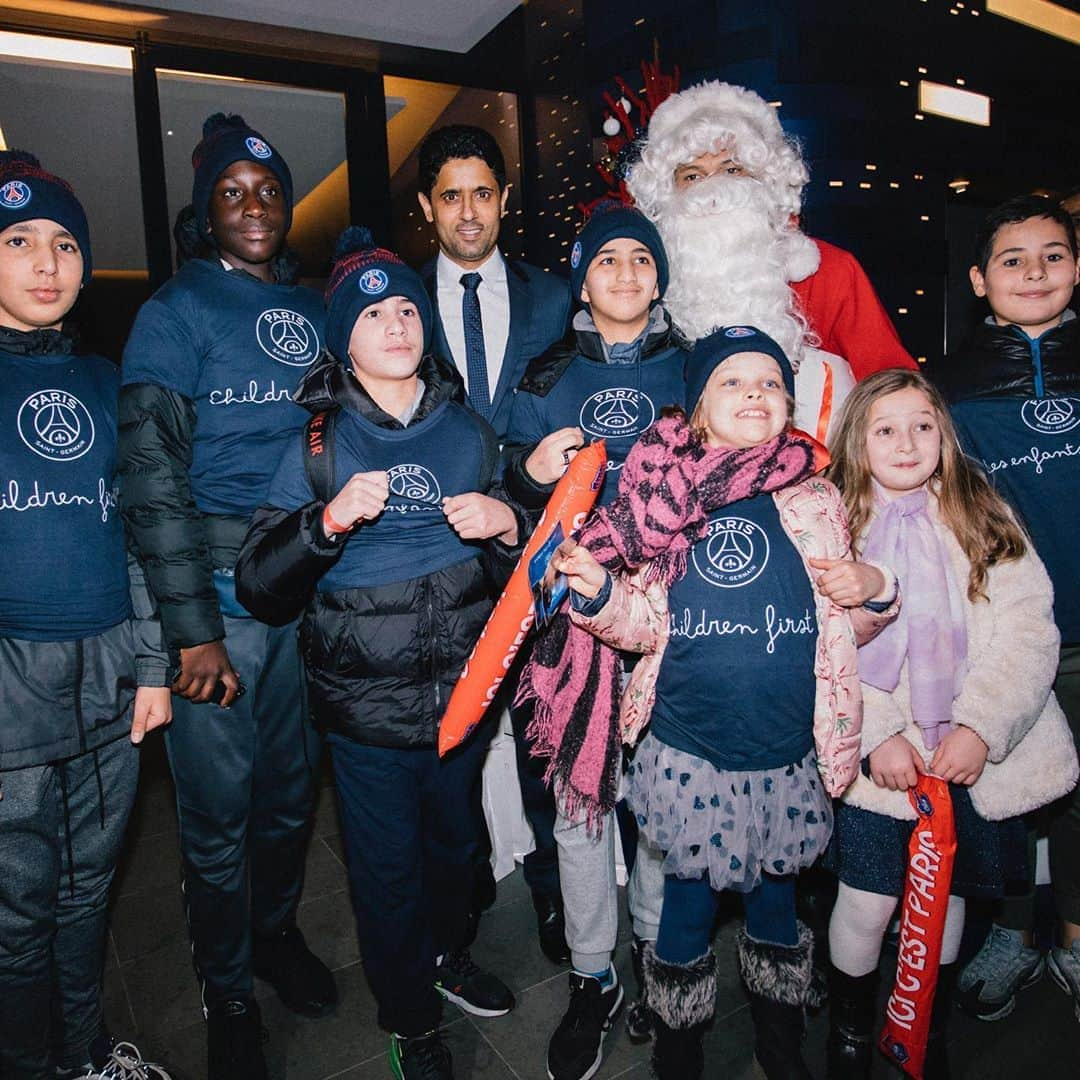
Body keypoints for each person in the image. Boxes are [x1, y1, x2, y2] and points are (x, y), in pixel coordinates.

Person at [528, 327, 898, 1078]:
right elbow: (640, 625)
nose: (755, 393)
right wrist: (600, 597)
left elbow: (844, 627)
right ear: (697, 410)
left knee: (775, 908)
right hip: (691, 748)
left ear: (790, 405)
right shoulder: (662, 497)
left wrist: (878, 590)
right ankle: (678, 1044)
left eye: (769, 381)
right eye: (733, 382)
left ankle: (780, 1040)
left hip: (788, 749)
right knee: (686, 909)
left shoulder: (817, 495)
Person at [235, 228, 523, 1080]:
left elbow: (522, 567)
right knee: (387, 875)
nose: (396, 325)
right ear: (343, 339)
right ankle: (409, 1019)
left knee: (457, 854)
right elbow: (258, 583)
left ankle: (444, 958)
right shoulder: (316, 447)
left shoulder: (469, 430)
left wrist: (507, 524)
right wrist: (322, 526)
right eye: (374, 314)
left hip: (465, 701)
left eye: (407, 308)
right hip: (366, 719)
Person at [118, 114, 335, 1080]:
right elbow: (151, 479)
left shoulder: (317, 305)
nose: (254, 206)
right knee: (217, 815)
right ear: (207, 212)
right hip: (218, 603)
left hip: (311, 596)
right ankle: (228, 984)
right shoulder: (174, 311)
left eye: (269, 189)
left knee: (292, 798)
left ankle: (275, 934)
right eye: (232, 192)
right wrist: (189, 633)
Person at [824, 368, 1078, 1077]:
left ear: (944, 433)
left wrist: (982, 727)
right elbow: (822, 644)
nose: (906, 443)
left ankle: (921, 1020)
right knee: (870, 901)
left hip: (962, 754)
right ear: (856, 439)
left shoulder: (981, 510)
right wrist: (877, 732)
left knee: (945, 900)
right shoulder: (832, 521)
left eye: (922, 426)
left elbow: (1029, 627)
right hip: (882, 764)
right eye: (885, 429)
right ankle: (849, 1023)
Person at [0, 150, 173, 1079]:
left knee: (85, 899)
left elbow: (144, 538)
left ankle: (86, 1056)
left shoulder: (110, 386)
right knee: (15, 919)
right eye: (19, 240)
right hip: (8, 714)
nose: (46, 261)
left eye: (65, 243)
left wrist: (153, 668)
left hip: (109, 695)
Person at [502, 201, 683, 1079]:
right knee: (580, 810)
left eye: (639, 261)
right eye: (605, 260)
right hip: (568, 624)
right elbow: (501, 481)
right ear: (581, 279)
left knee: (654, 804)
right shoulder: (542, 377)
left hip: (663, 620)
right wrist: (523, 469)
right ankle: (592, 973)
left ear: (659, 278)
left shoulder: (695, 370)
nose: (623, 274)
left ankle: (650, 949)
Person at [417, 123, 573, 952]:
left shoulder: (553, 297)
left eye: (483, 193)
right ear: (425, 208)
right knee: (457, 734)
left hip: (534, 541)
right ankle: (467, 880)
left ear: (506, 201)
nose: (468, 212)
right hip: (436, 552)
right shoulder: (399, 303)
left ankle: (553, 890)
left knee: (540, 728)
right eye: (451, 195)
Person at [925, 196, 1080, 1024]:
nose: (1034, 273)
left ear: (1078, 267)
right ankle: (1017, 933)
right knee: (1018, 788)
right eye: (1013, 260)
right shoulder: (945, 388)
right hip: (1004, 633)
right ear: (981, 279)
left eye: (1053, 255)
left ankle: (1074, 933)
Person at [625, 79, 879, 441]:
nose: (713, 190)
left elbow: (893, 393)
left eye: (733, 170)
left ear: (768, 181)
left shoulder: (831, 272)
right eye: (693, 175)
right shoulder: (651, 288)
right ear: (667, 194)